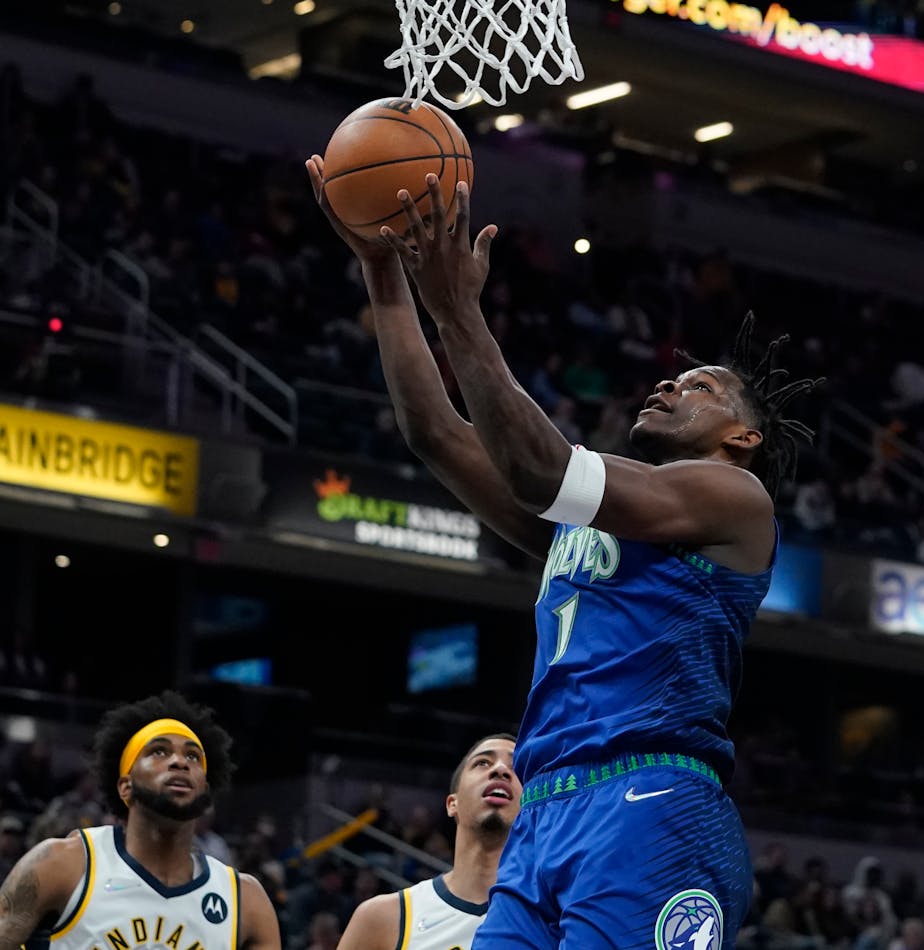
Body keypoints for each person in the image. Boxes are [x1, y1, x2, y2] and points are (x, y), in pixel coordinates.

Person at [305, 163, 820, 949]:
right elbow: (435, 434)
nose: (669, 386)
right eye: (672, 377)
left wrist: (458, 311)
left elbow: (543, 467)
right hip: (546, 814)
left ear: (742, 437)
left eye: (701, 387)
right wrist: (383, 273)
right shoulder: (582, 529)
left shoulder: (733, 498)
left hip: (652, 802)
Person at [0, 691, 281, 949]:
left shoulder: (246, 901)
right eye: (159, 751)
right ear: (126, 786)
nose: (180, 762)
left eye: (193, 756)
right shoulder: (61, 864)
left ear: (204, 790)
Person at [335, 734, 521, 950]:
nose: (500, 770)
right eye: (482, 763)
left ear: (531, 805)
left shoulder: (552, 919)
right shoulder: (381, 919)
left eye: (516, 767)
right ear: (453, 803)